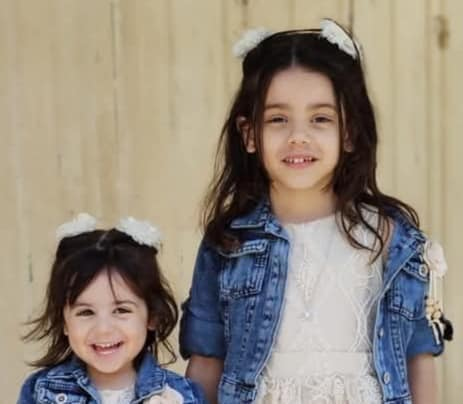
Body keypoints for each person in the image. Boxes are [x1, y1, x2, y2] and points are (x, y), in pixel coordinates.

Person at [179, 19, 453, 404]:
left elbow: (417, 357)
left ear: (349, 132)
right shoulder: (229, 243)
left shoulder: (393, 239)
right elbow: (207, 361)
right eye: (278, 119)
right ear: (250, 134)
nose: (298, 136)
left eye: (320, 119)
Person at [18, 213, 206, 404]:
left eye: (121, 310)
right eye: (86, 312)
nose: (103, 329)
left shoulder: (180, 396)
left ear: (152, 316)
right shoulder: (40, 390)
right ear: (64, 321)